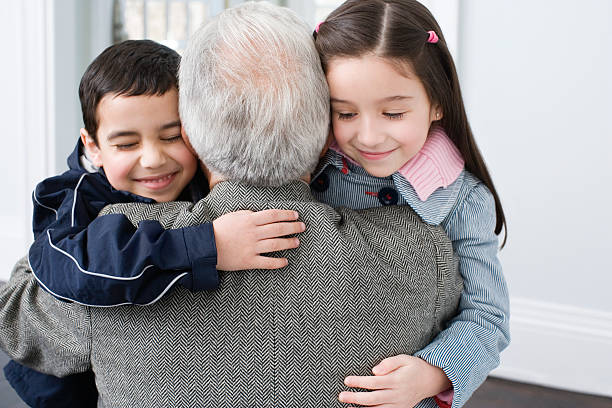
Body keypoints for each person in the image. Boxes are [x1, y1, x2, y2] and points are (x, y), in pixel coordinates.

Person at [0, 2, 462, 407]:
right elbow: (478, 331)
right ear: (326, 133)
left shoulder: (116, 247)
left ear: (191, 136)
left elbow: (15, 320)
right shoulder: (423, 250)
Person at [5, 39, 305, 408]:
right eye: (127, 144)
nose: (153, 159)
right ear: (94, 147)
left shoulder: (203, 180)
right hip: (68, 388)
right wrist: (206, 245)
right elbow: (72, 267)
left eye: (171, 136)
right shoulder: (74, 196)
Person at [310, 1, 510, 407]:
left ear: (437, 103)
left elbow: (488, 317)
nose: (368, 136)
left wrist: (432, 373)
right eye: (345, 113)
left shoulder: (463, 200)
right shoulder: (307, 173)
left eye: (394, 113)